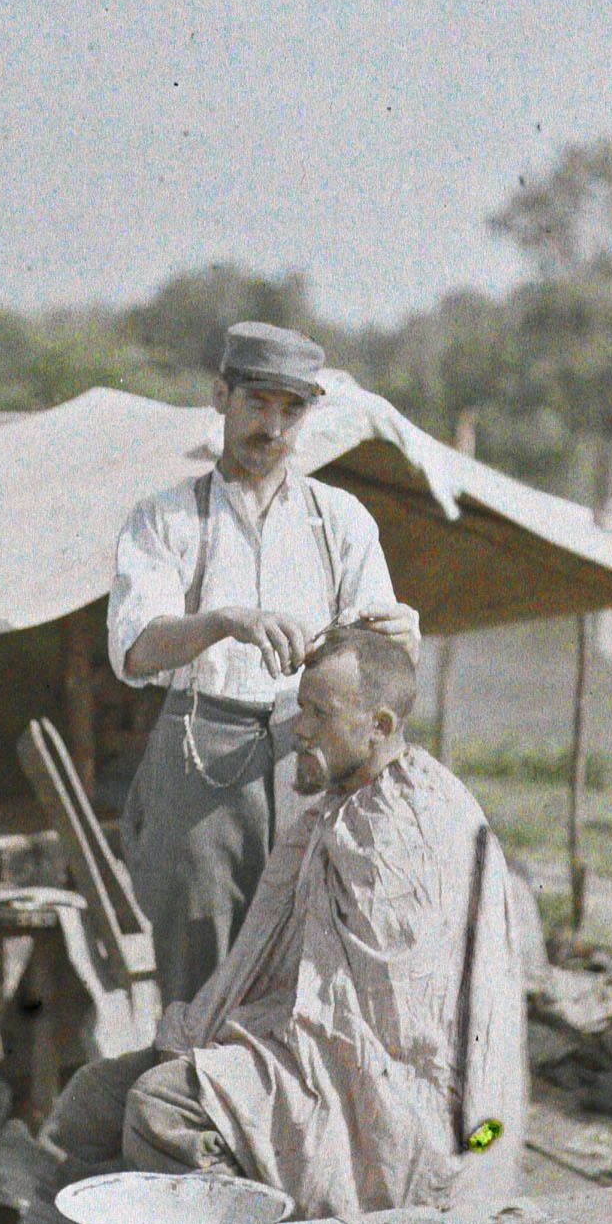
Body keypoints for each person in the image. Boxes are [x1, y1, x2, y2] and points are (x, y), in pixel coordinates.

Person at [24, 624, 526, 1224]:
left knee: (162, 1109)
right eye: (300, 707)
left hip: (400, 1110)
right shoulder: (339, 804)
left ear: (382, 726)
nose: (300, 728)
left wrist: (236, 1053)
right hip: (310, 1054)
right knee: (90, 1099)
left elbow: (384, 1035)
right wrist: (224, 1040)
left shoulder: (410, 828)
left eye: (319, 712)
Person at [109, 321, 419, 1007]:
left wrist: (402, 636)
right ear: (220, 397)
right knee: (199, 972)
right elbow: (134, 651)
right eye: (256, 404)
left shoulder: (339, 520)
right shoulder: (164, 518)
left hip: (310, 752)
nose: (271, 427)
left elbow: (377, 660)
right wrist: (223, 619)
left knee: (313, 961)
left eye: (291, 410)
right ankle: (188, 1108)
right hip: (201, 757)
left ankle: (280, 1112)